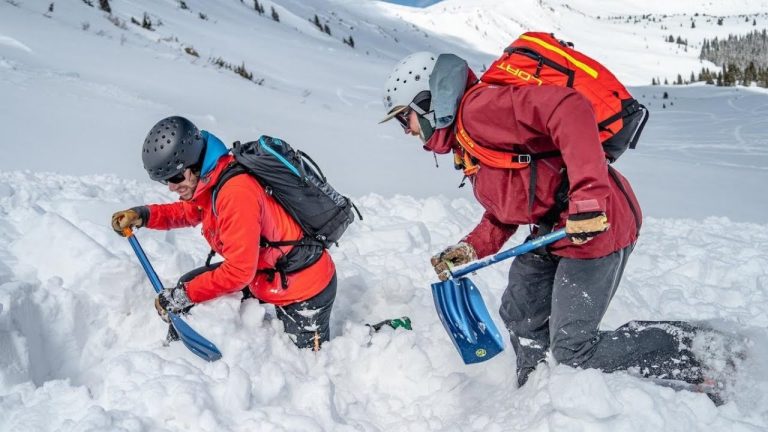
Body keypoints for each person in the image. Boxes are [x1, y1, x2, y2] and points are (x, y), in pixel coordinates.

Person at [380, 52, 711, 390]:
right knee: (520, 313)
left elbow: (569, 107)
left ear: (427, 101)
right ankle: (538, 390)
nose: (407, 130)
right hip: (556, 229)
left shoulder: (479, 110)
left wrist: (588, 198)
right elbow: (509, 205)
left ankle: (702, 352)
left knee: (573, 348)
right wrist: (469, 247)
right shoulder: (467, 139)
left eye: (404, 118)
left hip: (596, 225)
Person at [111, 116, 337, 350]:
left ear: (194, 164)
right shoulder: (212, 178)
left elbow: (239, 272)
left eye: (176, 177)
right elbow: (188, 212)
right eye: (164, 181)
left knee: (302, 366)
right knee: (189, 286)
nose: (171, 187)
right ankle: (178, 359)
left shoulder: (235, 193)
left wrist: (183, 295)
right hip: (264, 273)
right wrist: (143, 215)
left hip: (303, 287)